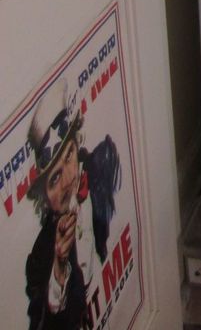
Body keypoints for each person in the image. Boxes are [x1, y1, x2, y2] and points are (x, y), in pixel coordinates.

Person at [24, 79, 121, 330]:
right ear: (44, 194)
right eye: (54, 178)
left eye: (68, 156)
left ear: (77, 146)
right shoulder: (42, 254)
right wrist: (59, 267)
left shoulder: (105, 163)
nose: (67, 180)